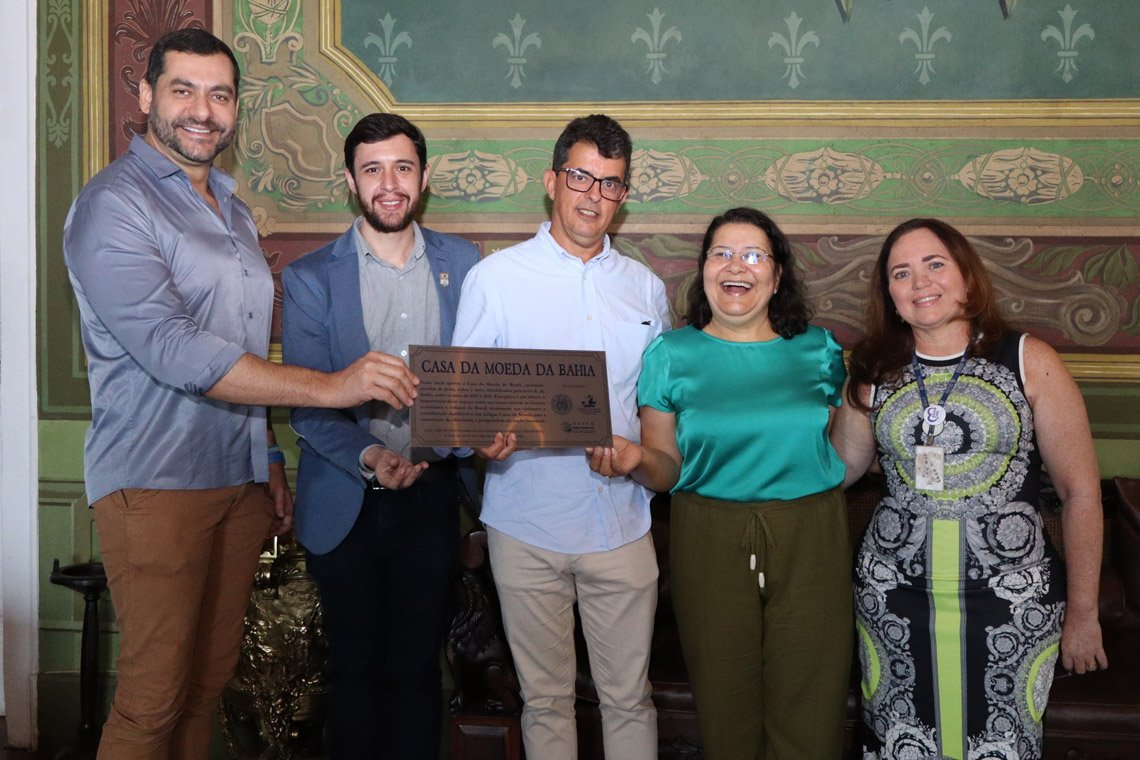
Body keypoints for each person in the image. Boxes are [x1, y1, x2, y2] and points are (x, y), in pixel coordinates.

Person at [63, 29, 420, 760]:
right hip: (153, 482)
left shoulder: (230, 207)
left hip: (236, 479)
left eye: (220, 94)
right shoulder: (112, 206)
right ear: (145, 96)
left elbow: (243, 346)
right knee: (153, 696)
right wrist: (333, 386)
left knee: (206, 687)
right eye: (183, 90)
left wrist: (268, 456)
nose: (203, 110)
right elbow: (177, 350)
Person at [830, 218, 1107, 760]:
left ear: (966, 277)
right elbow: (842, 469)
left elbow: (1081, 493)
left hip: (1010, 601)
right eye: (900, 273)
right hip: (893, 596)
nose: (919, 283)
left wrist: (1083, 613)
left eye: (935, 265)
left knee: (1000, 743)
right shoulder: (873, 366)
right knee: (897, 740)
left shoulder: (1029, 358)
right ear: (889, 293)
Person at [588, 206, 852, 759]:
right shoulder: (670, 354)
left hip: (811, 534)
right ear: (704, 269)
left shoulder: (820, 352)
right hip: (709, 538)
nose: (737, 266)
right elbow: (666, 470)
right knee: (725, 709)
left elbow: (844, 448)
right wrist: (637, 457)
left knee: (812, 707)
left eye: (754, 254)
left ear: (777, 275)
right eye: (722, 253)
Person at [452, 114, 670, 759]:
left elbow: (656, 410)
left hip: (622, 523)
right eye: (581, 177)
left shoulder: (647, 290)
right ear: (552, 181)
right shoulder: (495, 278)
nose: (593, 196)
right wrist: (477, 439)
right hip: (526, 524)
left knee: (630, 699)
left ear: (623, 196)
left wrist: (636, 455)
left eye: (611, 184)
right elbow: (462, 407)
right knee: (544, 702)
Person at [280, 112, 479, 759]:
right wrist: (369, 455)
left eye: (402, 167)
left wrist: (452, 443)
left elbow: (477, 384)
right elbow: (307, 405)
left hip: (433, 496)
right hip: (345, 499)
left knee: (419, 673)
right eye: (372, 169)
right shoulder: (310, 277)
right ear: (350, 180)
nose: (388, 183)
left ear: (424, 178)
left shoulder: (467, 264)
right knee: (355, 676)